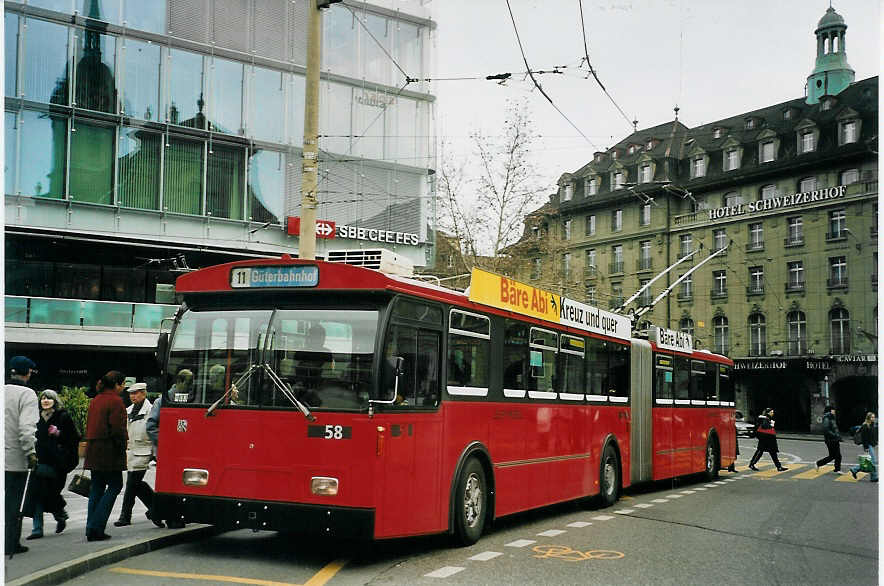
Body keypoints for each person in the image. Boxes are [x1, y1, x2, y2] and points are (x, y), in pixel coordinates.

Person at [26, 390, 79, 539]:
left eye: (49, 398)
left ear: (55, 400)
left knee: (50, 493)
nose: (45, 400)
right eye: (43, 398)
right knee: (36, 493)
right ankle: (37, 528)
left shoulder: (62, 416)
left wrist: (59, 434)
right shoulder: (35, 417)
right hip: (39, 460)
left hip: (57, 463)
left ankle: (60, 514)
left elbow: (74, 438)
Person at [84, 370, 128, 541]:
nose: (124, 388)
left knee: (97, 487)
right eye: (123, 384)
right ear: (117, 384)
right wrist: (123, 446)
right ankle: (96, 526)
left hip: (93, 449)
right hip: (109, 450)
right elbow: (117, 429)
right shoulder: (116, 401)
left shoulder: (96, 400)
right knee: (116, 485)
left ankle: (91, 527)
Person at [114, 383, 164, 528]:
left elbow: (154, 430)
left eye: (136, 393)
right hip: (131, 451)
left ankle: (125, 516)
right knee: (136, 484)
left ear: (144, 393)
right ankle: (156, 510)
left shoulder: (151, 410)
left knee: (132, 483)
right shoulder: (128, 410)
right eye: (131, 394)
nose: (133, 396)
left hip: (145, 450)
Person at [5, 356, 39, 555]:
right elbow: (26, 429)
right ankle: (10, 543)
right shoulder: (27, 394)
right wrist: (31, 454)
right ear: (28, 373)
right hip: (15, 460)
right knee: (12, 503)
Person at [145, 386, 185, 529]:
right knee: (168, 484)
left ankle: (168, 515)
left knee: (179, 484)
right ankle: (162, 515)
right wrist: (166, 441)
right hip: (166, 451)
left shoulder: (189, 399)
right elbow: (150, 426)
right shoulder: (162, 401)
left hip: (183, 452)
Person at [849, 412, 878, 482]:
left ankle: (854, 469)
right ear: (868, 418)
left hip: (871, 444)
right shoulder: (865, 426)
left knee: (870, 462)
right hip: (868, 445)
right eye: (872, 417)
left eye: (874, 417)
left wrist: (875, 442)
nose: (873, 418)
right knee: (873, 461)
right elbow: (864, 438)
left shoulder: (872, 425)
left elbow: (873, 435)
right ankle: (874, 477)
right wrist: (866, 447)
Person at [815, 404, 842, 474]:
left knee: (837, 455)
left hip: (834, 439)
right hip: (830, 440)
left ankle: (837, 469)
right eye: (833, 410)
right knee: (834, 456)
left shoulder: (831, 418)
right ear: (830, 411)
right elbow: (826, 430)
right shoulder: (827, 418)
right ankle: (818, 463)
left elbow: (834, 428)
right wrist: (835, 435)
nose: (834, 411)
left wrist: (838, 436)